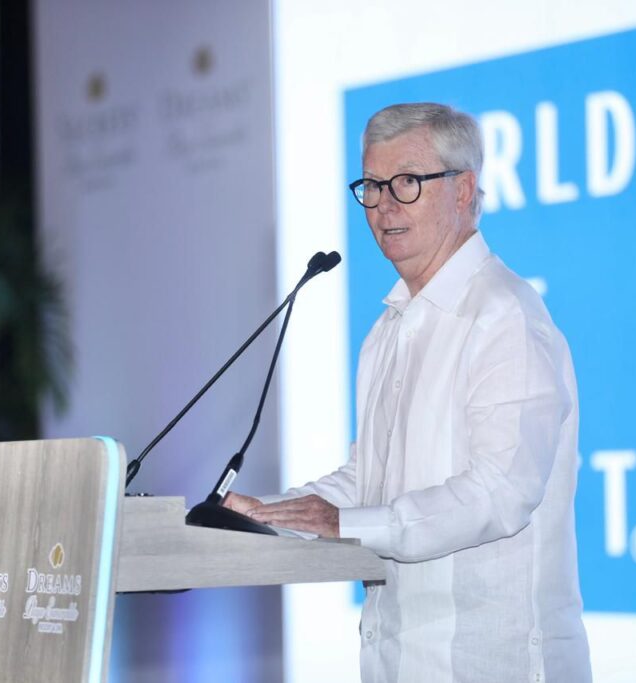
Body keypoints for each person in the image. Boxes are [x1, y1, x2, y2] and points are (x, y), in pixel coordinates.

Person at [225, 102, 591, 682]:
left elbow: (503, 491)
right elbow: (370, 481)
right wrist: (271, 516)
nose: (384, 205)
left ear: (464, 190)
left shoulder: (504, 316)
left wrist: (350, 524)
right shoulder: (388, 330)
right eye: (372, 185)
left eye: (407, 182)